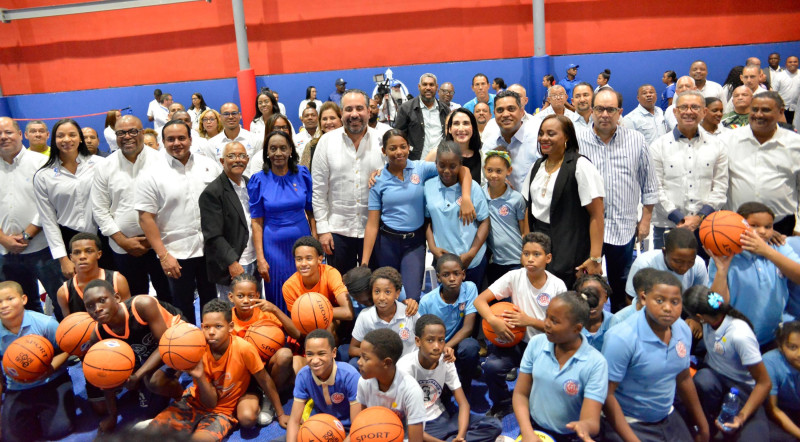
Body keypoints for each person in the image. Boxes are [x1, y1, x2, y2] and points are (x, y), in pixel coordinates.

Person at [149, 299, 288, 438]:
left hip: (223, 411)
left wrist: (280, 414)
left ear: (231, 327)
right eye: (207, 327)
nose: (211, 332)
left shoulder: (244, 348)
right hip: (194, 401)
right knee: (152, 434)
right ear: (201, 326)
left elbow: (264, 380)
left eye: (218, 326)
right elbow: (208, 401)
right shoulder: (195, 347)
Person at [363, 131, 474, 300]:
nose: (399, 152)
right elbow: (372, 224)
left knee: (412, 297)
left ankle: (410, 327)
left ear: (409, 147)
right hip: (387, 244)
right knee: (388, 294)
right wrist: (364, 262)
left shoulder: (420, 168)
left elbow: (463, 169)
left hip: (415, 244)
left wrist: (466, 197)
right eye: (392, 148)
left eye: (403, 146)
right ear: (384, 151)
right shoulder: (377, 180)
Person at [601, 272, 710, 442]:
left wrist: (703, 426)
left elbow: (683, 377)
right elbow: (606, 395)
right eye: (660, 301)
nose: (668, 308)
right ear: (643, 299)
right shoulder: (620, 338)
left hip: (667, 415)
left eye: (675, 302)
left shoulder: (682, 330)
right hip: (629, 421)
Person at [577, 89, 658, 312]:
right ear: (591, 111)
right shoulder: (576, 140)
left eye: (611, 109)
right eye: (600, 109)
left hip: (623, 228)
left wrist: (645, 220)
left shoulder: (636, 140)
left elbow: (649, 184)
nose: (605, 114)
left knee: (621, 287)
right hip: (586, 229)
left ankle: (618, 331)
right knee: (584, 288)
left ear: (619, 112)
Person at [475, 232, 568, 418]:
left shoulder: (558, 286)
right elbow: (479, 301)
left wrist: (529, 321)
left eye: (536, 254)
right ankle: (503, 403)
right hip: (515, 342)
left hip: (546, 346)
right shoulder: (514, 276)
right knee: (491, 367)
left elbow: (562, 329)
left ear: (548, 258)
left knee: (541, 400)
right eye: (526, 254)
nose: (530, 259)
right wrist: (494, 321)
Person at [135, 120, 219, 325]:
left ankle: (212, 347)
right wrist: (163, 256)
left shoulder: (209, 165)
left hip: (210, 250)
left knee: (212, 303)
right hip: (176, 254)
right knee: (182, 308)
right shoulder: (150, 174)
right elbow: (146, 217)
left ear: (191, 139)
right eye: (170, 139)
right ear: (163, 142)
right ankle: (189, 349)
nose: (176, 143)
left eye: (182, 138)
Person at [83, 280, 185, 432]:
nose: (97, 309)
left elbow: (165, 346)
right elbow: (106, 377)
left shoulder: (142, 305)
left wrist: (137, 375)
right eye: (90, 306)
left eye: (102, 301)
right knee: (152, 410)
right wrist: (113, 416)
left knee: (155, 381)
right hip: (146, 354)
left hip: (176, 339)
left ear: (117, 298)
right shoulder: (98, 335)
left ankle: (185, 400)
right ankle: (165, 377)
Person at [92, 115, 171, 300]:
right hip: (123, 248)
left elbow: (172, 203)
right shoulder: (104, 167)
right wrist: (122, 241)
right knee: (134, 300)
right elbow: (99, 210)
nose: (127, 136)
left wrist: (154, 241)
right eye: (121, 133)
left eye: (133, 131)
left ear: (142, 133)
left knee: (169, 296)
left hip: (162, 245)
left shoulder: (162, 161)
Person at [513, 291, 608, 442]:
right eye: (547, 316)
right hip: (534, 429)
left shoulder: (596, 363)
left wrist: (584, 426)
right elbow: (520, 394)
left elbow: (592, 421)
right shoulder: (536, 343)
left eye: (555, 321)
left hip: (572, 436)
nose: (546, 324)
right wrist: (527, 432)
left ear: (577, 329)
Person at [525, 114, 605, 288]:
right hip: (541, 244)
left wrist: (595, 257)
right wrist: (527, 243)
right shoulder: (537, 166)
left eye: (551, 133)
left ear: (567, 136)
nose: (544, 138)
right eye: (541, 133)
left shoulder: (581, 166)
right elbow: (527, 208)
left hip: (570, 245)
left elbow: (597, 214)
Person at [683, 285, 771, 441]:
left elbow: (764, 383)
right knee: (703, 380)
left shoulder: (739, 335)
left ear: (699, 316)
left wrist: (742, 417)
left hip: (742, 389)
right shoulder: (708, 319)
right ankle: (708, 423)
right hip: (714, 378)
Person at [312, 90, 385, 275]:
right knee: (342, 289)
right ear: (342, 113)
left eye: (360, 108)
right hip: (338, 231)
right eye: (348, 109)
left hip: (376, 230)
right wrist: (323, 230)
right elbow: (319, 190)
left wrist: (383, 173)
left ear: (369, 111)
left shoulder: (382, 140)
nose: (354, 114)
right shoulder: (326, 142)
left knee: (375, 287)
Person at [709, 202, 800, 348]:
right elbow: (716, 304)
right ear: (738, 226)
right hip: (734, 339)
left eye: (768, 226)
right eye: (754, 225)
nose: (762, 231)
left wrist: (767, 251)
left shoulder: (778, 247)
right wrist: (721, 271)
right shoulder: (725, 254)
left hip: (772, 336)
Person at [398, 315, 503, 442]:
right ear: (418, 341)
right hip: (419, 426)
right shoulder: (405, 367)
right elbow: (404, 420)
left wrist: (461, 437)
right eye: (430, 340)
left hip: (443, 418)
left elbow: (463, 404)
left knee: (494, 425)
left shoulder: (446, 360)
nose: (437, 346)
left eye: (441, 340)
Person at [246, 130, 314, 314]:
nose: (278, 153)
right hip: (273, 247)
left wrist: (315, 243)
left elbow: (311, 210)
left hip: (302, 243)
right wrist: (260, 257)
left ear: (290, 150)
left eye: (283, 148)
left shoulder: (303, 174)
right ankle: (282, 334)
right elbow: (257, 221)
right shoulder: (258, 180)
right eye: (273, 148)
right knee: (278, 289)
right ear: (266, 152)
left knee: (305, 287)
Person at [650, 90, 729, 249]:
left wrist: (699, 218)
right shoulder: (658, 146)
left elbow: (720, 187)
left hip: (706, 226)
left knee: (704, 272)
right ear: (675, 112)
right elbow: (655, 189)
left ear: (704, 112)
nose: (689, 112)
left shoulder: (717, 146)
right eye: (683, 107)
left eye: (695, 107)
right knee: (664, 274)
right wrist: (679, 218)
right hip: (668, 225)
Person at [0, 281, 75, 442]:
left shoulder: (45, 323)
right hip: (17, 387)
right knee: (12, 438)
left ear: (24, 299)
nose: (4, 305)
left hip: (52, 381)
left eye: (10, 299)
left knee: (59, 430)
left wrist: (51, 368)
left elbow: (68, 349)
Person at [0, 117, 61, 315]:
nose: (3, 137)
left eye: (8, 132)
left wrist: (27, 234)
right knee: (21, 308)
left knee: (60, 299)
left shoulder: (43, 163)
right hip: (5, 252)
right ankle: (32, 345)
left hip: (42, 247)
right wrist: (4, 239)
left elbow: (52, 203)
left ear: (20, 135)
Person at [33, 118, 104, 286]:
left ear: (80, 138)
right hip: (69, 239)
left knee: (109, 287)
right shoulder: (44, 175)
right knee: (80, 291)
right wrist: (63, 258)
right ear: (54, 140)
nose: (66, 140)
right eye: (61, 136)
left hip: (103, 236)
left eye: (72, 135)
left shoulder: (101, 164)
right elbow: (48, 221)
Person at [724, 92, 800, 236]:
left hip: (783, 227)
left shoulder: (796, 144)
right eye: (754, 109)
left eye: (765, 110)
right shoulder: (727, 140)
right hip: (736, 227)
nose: (758, 115)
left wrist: (799, 229)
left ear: (780, 112)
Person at [225, 274, 295, 425]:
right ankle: (246, 397)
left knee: (285, 355)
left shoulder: (266, 313)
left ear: (257, 295)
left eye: (251, 296)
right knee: (246, 419)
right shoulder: (225, 319)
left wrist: (275, 309)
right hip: (242, 375)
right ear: (231, 297)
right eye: (240, 296)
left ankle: (268, 398)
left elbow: (296, 333)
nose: (246, 300)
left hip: (266, 372)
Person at [199, 141, 260, 298]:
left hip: (254, 259)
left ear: (247, 159)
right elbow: (213, 236)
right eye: (231, 156)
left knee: (254, 311)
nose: (237, 160)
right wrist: (232, 263)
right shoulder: (212, 192)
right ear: (222, 161)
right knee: (235, 313)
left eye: (241, 156)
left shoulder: (249, 183)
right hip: (235, 264)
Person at [425, 141, 488, 288]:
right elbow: (427, 220)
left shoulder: (473, 189)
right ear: (436, 164)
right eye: (442, 165)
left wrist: (471, 254)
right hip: (443, 261)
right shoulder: (428, 187)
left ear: (460, 164)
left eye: (452, 166)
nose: (446, 171)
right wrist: (433, 248)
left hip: (471, 260)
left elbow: (484, 222)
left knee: (473, 303)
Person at [418, 254, 481, 398]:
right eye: (446, 275)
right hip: (434, 347)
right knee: (440, 396)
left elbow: (468, 328)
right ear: (439, 278)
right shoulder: (427, 302)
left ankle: (465, 387)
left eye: (456, 274)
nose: (452, 278)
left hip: (456, 344)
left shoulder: (470, 288)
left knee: (470, 347)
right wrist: (440, 349)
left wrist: (448, 346)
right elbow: (422, 336)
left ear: (463, 275)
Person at [286, 329, 361, 442]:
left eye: (321, 353)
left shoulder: (350, 376)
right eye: (310, 354)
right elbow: (294, 421)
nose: (315, 360)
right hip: (320, 427)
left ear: (334, 353)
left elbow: (357, 428)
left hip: (348, 430)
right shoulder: (303, 375)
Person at [356, 328, 426, 442]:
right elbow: (359, 428)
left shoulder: (411, 390)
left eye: (365, 358)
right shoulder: (364, 382)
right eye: (360, 356)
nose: (359, 362)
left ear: (387, 363)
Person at [350, 267, 421, 363]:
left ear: (397, 293)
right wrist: (373, 353)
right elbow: (353, 349)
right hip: (381, 368)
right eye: (377, 291)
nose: (382, 298)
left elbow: (425, 339)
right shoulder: (365, 316)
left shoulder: (410, 312)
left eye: (387, 292)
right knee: (354, 363)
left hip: (410, 366)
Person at [282, 236, 354, 329]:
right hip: (308, 326)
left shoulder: (330, 273)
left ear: (320, 259)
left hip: (333, 322)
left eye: (309, 258)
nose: (303, 263)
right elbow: (298, 324)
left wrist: (314, 312)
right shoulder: (289, 287)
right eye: (299, 259)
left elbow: (348, 312)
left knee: (327, 326)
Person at [625, 228, 709, 303]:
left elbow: (701, 298)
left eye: (691, 262)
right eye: (678, 261)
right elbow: (630, 298)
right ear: (664, 252)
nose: (684, 267)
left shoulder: (699, 264)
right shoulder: (644, 264)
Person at [57, 233, 129, 316]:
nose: (82, 256)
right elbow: (68, 325)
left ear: (99, 254)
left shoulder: (118, 280)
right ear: (71, 257)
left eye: (89, 251)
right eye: (77, 253)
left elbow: (127, 317)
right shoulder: (63, 292)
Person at [482, 90, 540, 192]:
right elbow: (483, 178)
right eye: (500, 110)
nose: (505, 114)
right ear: (494, 113)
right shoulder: (489, 145)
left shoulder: (537, 141)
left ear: (521, 111)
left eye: (511, 109)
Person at [483, 151, 527, 284]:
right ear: (484, 169)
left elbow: (524, 231)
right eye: (489, 170)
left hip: (516, 260)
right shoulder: (479, 195)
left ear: (509, 171)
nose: (494, 175)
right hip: (494, 261)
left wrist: (525, 256)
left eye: (499, 171)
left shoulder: (516, 199)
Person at [394, 73, 449, 161]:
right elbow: (398, 136)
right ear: (419, 86)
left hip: (440, 163)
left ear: (436, 87)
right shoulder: (406, 108)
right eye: (424, 84)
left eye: (431, 85)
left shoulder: (445, 110)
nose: (428, 88)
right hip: (415, 163)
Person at [763, 321, 800, 441]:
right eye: (793, 347)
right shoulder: (770, 362)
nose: (799, 354)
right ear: (780, 346)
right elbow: (772, 409)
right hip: (780, 411)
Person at [426, 108, 483, 182]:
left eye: (466, 123)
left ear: (473, 128)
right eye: (456, 123)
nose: (461, 129)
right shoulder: (436, 154)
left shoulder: (482, 155)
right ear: (449, 129)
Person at [299, 101, 342, 170]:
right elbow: (304, 176)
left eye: (332, 118)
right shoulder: (311, 146)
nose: (328, 122)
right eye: (324, 119)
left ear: (341, 121)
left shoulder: (350, 144)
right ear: (320, 123)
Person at [575, 275, 613, 351]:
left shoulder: (616, 324)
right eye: (586, 296)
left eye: (596, 296)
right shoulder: (570, 326)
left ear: (605, 297)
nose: (592, 304)